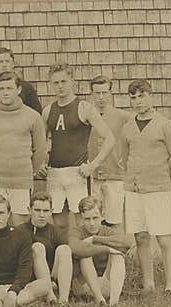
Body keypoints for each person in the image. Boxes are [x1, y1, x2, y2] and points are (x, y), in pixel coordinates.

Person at [120, 79, 171, 295]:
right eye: (133, 97)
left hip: (159, 189)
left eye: (142, 96)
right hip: (134, 190)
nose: (138, 101)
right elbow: (124, 157)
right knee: (140, 236)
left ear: (151, 95)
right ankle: (148, 283)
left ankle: (170, 285)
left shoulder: (165, 125)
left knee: (164, 237)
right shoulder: (128, 127)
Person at [42, 63, 115, 230]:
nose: (60, 86)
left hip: (77, 172)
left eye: (63, 81)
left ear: (72, 81)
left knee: (82, 221)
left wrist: (92, 165)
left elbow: (110, 138)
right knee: (58, 223)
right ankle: (65, 255)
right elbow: (40, 142)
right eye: (56, 83)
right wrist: (41, 163)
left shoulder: (84, 108)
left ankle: (83, 255)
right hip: (54, 172)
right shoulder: (47, 110)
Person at [0, 72, 47, 226]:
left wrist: (28, 170)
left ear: (18, 89)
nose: (5, 92)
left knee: (20, 224)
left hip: (21, 181)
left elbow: (40, 149)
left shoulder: (32, 116)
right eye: (1, 88)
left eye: (9, 88)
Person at [69, 196, 133, 306]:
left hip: (106, 283)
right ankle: (100, 300)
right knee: (85, 255)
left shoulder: (107, 231)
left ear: (102, 216)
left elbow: (127, 243)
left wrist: (95, 239)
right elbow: (76, 248)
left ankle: (114, 303)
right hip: (84, 285)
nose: (92, 223)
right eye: (87, 219)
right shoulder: (76, 231)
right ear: (81, 217)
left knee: (118, 256)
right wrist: (108, 249)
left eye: (95, 218)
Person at [88, 75, 133, 229]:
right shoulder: (86, 116)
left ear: (111, 93)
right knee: (92, 221)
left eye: (105, 93)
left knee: (114, 222)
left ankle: (115, 253)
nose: (101, 97)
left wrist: (126, 163)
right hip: (92, 177)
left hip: (115, 176)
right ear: (92, 94)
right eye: (97, 93)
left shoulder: (124, 117)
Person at [18, 192, 73, 304]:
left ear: (51, 211)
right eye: (37, 210)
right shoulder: (20, 231)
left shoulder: (55, 231)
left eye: (46, 211)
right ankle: (50, 297)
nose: (42, 215)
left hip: (52, 275)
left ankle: (63, 300)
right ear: (29, 210)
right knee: (37, 247)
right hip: (31, 277)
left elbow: (64, 261)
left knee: (65, 249)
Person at [0, 47, 43, 114]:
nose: (4, 65)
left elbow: (36, 113)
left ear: (13, 64)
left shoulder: (26, 87)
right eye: (1, 62)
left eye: (7, 61)